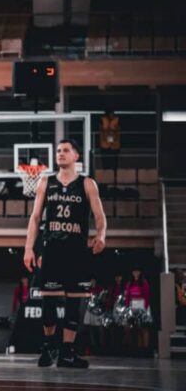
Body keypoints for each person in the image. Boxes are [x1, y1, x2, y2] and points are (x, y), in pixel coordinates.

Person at [23, 139, 107, 369]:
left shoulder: (87, 183)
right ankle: (49, 346)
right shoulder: (46, 182)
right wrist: (29, 248)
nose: (60, 153)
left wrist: (101, 236)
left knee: (74, 304)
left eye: (66, 150)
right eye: (58, 150)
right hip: (52, 250)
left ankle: (67, 353)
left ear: (76, 156)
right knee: (48, 302)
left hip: (77, 252)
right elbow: (35, 218)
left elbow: (100, 216)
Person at [124, 264, 151, 355]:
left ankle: (146, 349)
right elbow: (127, 297)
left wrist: (145, 309)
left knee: (144, 328)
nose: (136, 273)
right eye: (134, 271)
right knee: (137, 328)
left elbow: (147, 296)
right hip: (133, 306)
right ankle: (140, 350)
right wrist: (127, 307)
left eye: (137, 271)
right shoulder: (129, 283)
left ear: (140, 272)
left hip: (142, 305)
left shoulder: (144, 282)